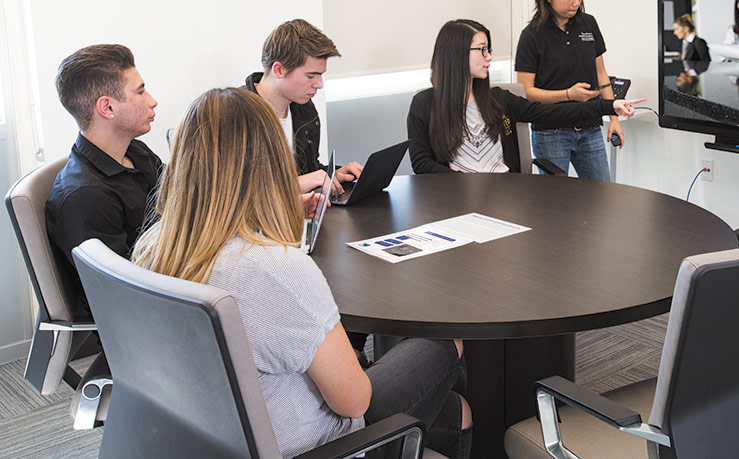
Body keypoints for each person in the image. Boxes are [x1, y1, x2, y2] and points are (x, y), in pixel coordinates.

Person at [131, 88, 472, 458]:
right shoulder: (275, 270)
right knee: (446, 344)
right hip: (317, 445)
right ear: (270, 163)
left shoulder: (153, 246)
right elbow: (355, 401)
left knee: (454, 411)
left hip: (212, 437)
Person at [408, 20, 642, 174]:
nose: (489, 57)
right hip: (455, 201)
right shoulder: (425, 105)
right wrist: (465, 183)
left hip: (504, 199)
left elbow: (552, 113)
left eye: (489, 49)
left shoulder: (497, 100)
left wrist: (609, 106)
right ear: (457, 53)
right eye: (482, 50)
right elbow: (421, 163)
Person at [46, 44, 162, 319]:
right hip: (146, 320)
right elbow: (124, 292)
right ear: (107, 107)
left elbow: (177, 202)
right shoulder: (85, 196)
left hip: (171, 278)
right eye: (141, 91)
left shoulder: (136, 152)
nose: (152, 100)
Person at [514, 0, 624, 180]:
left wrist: (613, 118)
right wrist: (568, 94)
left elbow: (601, 74)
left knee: (603, 197)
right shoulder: (532, 35)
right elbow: (526, 91)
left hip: (590, 128)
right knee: (555, 204)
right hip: (551, 131)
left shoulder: (588, 24)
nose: (576, 2)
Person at [245, 19, 363, 198]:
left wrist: (333, 176)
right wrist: (299, 184)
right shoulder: (237, 116)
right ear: (279, 70)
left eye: (321, 75)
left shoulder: (304, 110)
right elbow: (235, 197)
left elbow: (308, 171)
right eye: (311, 76)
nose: (319, 84)